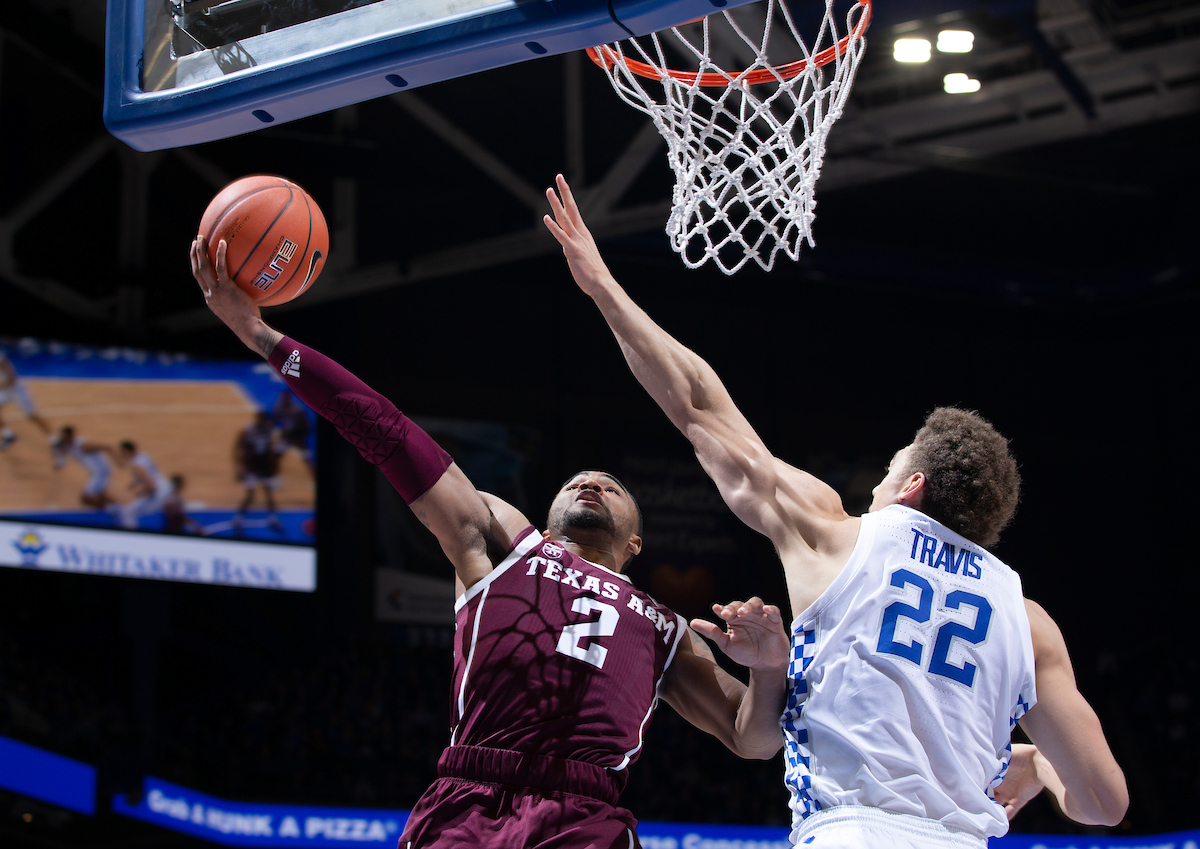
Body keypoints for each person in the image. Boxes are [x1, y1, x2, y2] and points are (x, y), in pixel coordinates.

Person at [543, 175, 1129, 848]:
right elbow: (1105, 803)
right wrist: (1039, 765)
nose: (873, 489)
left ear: (910, 485)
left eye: (886, 472)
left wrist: (603, 288)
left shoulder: (833, 533)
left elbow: (698, 406)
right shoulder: (1028, 621)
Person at [190, 234, 792, 849]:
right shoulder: (507, 542)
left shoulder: (668, 629)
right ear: (549, 518)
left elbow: (754, 739)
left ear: (635, 542)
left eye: (610, 487)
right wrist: (260, 336)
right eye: (577, 481)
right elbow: (387, 432)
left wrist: (770, 670)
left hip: (586, 820)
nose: (590, 483)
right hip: (468, 803)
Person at [233, 411, 284, 534]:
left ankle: (273, 518)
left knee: (269, 493)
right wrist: (239, 467)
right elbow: (238, 448)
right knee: (250, 495)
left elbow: (270, 448)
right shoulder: (248, 431)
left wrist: (274, 466)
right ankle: (238, 519)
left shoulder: (267, 430)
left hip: (264, 466)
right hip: (251, 466)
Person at [113, 440, 173, 530]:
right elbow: (151, 471)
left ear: (127, 451)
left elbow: (151, 487)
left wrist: (140, 493)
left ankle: (132, 536)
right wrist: (134, 483)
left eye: (122, 453)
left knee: (128, 512)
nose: (121, 455)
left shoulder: (137, 465)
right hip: (166, 486)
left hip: (158, 494)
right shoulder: (143, 455)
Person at [0, 347, 51, 450]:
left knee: (31, 415)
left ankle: (54, 439)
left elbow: (12, 378)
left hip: (16, 390)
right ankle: (8, 435)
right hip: (4, 390)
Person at [51, 425, 113, 509]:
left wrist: (109, 448)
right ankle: (113, 508)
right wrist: (60, 464)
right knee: (99, 495)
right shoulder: (67, 444)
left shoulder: (80, 444)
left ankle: (113, 509)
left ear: (71, 436)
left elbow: (96, 447)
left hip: (100, 473)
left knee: (86, 498)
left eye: (65, 436)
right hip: (96, 472)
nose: (64, 438)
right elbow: (62, 453)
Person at [272, 390, 315, 474]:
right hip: (287, 436)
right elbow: (274, 419)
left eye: (284, 399)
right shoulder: (278, 407)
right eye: (282, 398)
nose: (283, 400)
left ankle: (314, 472)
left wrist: (301, 436)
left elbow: (305, 425)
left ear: (288, 399)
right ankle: (272, 473)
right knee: (276, 454)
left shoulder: (297, 410)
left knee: (305, 457)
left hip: (297, 437)